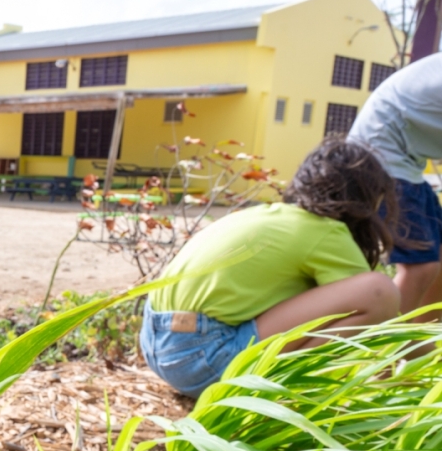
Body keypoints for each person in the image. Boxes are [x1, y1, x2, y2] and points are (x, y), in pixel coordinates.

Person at [142, 138, 401, 397]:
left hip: (157, 345)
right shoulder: (326, 232)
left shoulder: (272, 215)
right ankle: (303, 394)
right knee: (378, 291)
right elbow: (382, 324)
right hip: (204, 359)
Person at [349, 53, 442, 317]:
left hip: (406, 164)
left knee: (437, 263)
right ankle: (387, 352)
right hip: (380, 161)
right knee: (420, 267)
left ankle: (421, 346)